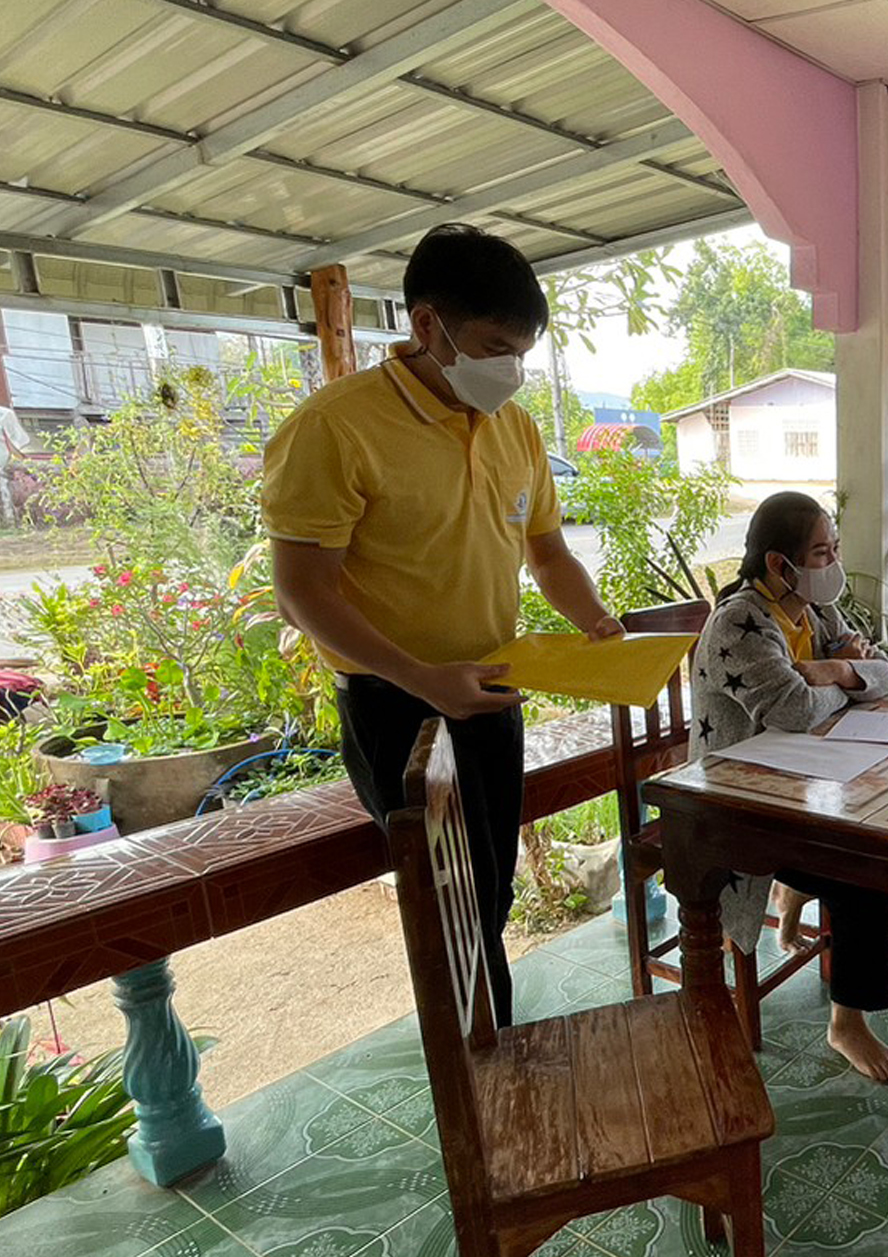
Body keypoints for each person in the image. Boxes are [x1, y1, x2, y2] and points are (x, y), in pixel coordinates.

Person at [265, 223, 622, 1028]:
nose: (513, 371)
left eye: (523, 353)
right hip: (396, 703)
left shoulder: (516, 429)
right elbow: (304, 592)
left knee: (488, 889)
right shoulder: (335, 427)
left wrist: (597, 621)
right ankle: (480, 1077)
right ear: (426, 325)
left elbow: (549, 552)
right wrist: (424, 680)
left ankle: (490, 1054)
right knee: (447, 899)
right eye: (496, 346)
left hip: (493, 687)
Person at [692, 491, 888, 1081]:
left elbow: (886, 673)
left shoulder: (809, 610)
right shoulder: (739, 621)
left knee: (875, 841)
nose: (833, 562)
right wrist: (844, 677)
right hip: (741, 806)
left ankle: (794, 898)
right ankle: (847, 1024)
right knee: (867, 874)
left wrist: (836, 669)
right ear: (777, 564)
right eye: (821, 552)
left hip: (806, 787)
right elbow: (793, 709)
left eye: (835, 548)